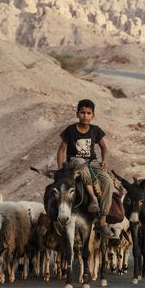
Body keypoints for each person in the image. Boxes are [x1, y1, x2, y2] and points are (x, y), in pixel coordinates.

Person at [57, 98, 113, 238]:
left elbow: (104, 148)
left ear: (93, 115)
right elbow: (61, 150)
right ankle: (93, 199)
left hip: (92, 161)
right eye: (82, 113)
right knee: (82, 164)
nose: (85, 116)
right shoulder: (70, 130)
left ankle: (102, 221)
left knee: (108, 182)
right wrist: (61, 169)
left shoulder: (95, 130)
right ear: (77, 114)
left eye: (88, 113)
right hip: (75, 161)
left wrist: (104, 161)